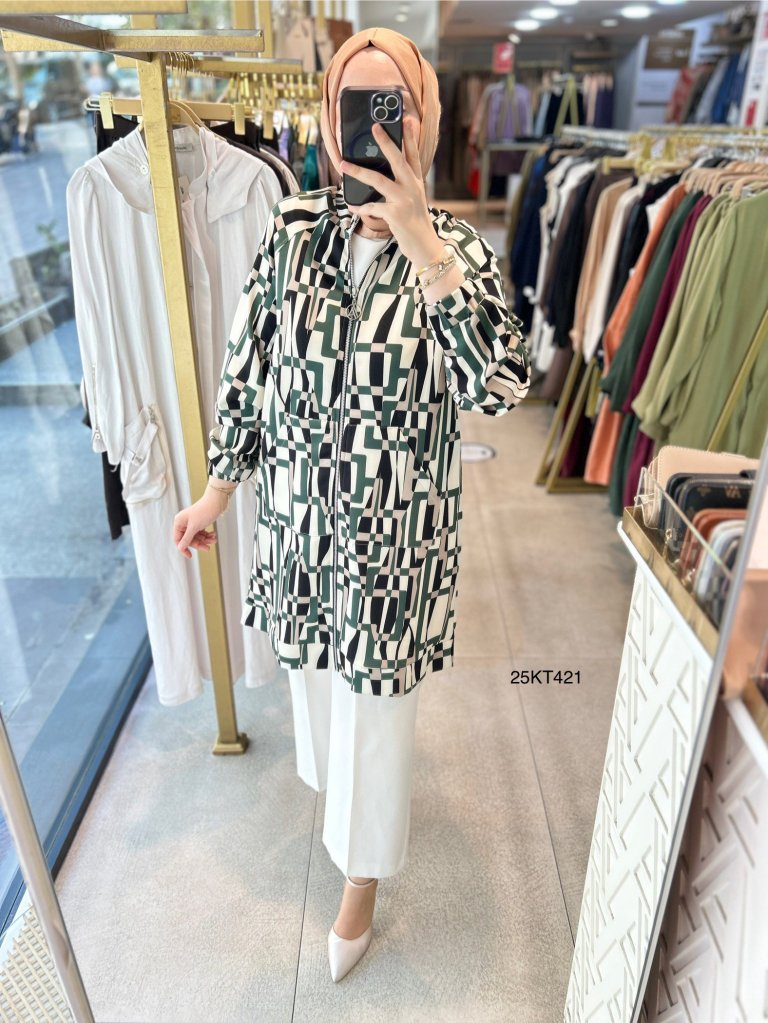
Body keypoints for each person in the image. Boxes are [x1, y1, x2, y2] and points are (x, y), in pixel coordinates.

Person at [173, 27, 531, 982]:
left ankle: (361, 875)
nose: (375, 126)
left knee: (376, 711)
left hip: (393, 541)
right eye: (355, 105)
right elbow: (249, 365)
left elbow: (499, 387)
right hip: (300, 527)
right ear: (331, 123)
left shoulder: (456, 248)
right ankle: (344, 813)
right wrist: (216, 489)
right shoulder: (293, 229)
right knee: (323, 696)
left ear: (424, 120)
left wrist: (420, 238)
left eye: (394, 105)